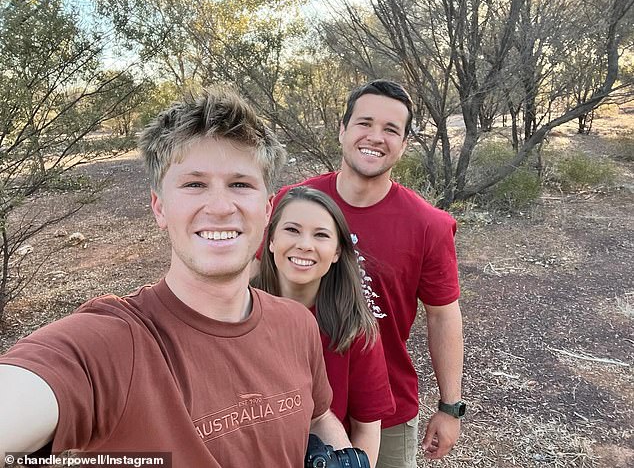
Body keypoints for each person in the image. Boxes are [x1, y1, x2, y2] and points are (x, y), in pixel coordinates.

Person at [0, 89, 351, 467]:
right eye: (194, 184)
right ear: (160, 207)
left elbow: (317, 416)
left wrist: (344, 456)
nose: (220, 207)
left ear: (266, 209)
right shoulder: (115, 343)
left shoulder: (296, 323)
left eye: (241, 184)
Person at [256, 80, 465, 467]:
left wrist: (450, 407)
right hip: (281, 397)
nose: (375, 137)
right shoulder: (291, 204)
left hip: (384, 411)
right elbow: (249, 281)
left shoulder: (428, 225)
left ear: (403, 144)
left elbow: (443, 314)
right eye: (364, 123)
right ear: (342, 129)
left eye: (391, 129)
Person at [252, 186, 395, 467]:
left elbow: (366, 427)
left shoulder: (355, 330)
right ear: (269, 241)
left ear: (337, 252)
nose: (305, 244)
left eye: (321, 235)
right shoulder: (236, 311)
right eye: (292, 230)